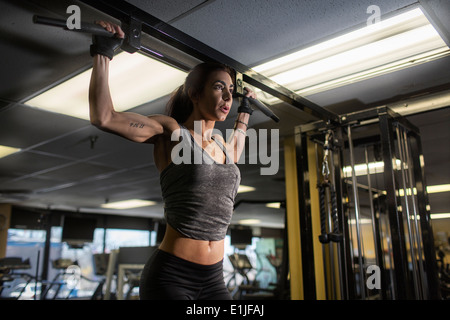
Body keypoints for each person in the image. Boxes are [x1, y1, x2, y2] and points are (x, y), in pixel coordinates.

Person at [88, 21, 256, 300]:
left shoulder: (222, 147)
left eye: (230, 90)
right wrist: (103, 52)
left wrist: (245, 109)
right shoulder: (172, 131)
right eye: (218, 87)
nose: (228, 96)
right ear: (194, 93)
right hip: (172, 276)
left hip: (215, 278)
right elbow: (104, 117)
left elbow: (236, 145)